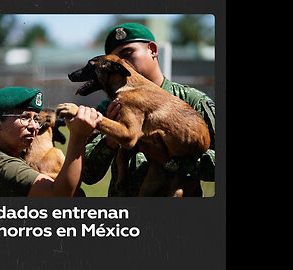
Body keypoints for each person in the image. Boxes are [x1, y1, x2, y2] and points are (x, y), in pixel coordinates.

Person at [81, 23, 216, 197]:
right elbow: (88, 175)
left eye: (128, 54)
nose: (121, 64)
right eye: (115, 61)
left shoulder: (191, 100)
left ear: (152, 50)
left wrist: (170, 161)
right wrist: (112, 138)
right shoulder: (109, 108)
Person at [0, 86, 102, 197]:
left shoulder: (10, 154)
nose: (34, 126)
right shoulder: (1, 166)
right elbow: (61, 195)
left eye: (36, 119)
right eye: (24, 117)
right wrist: (78, 136)